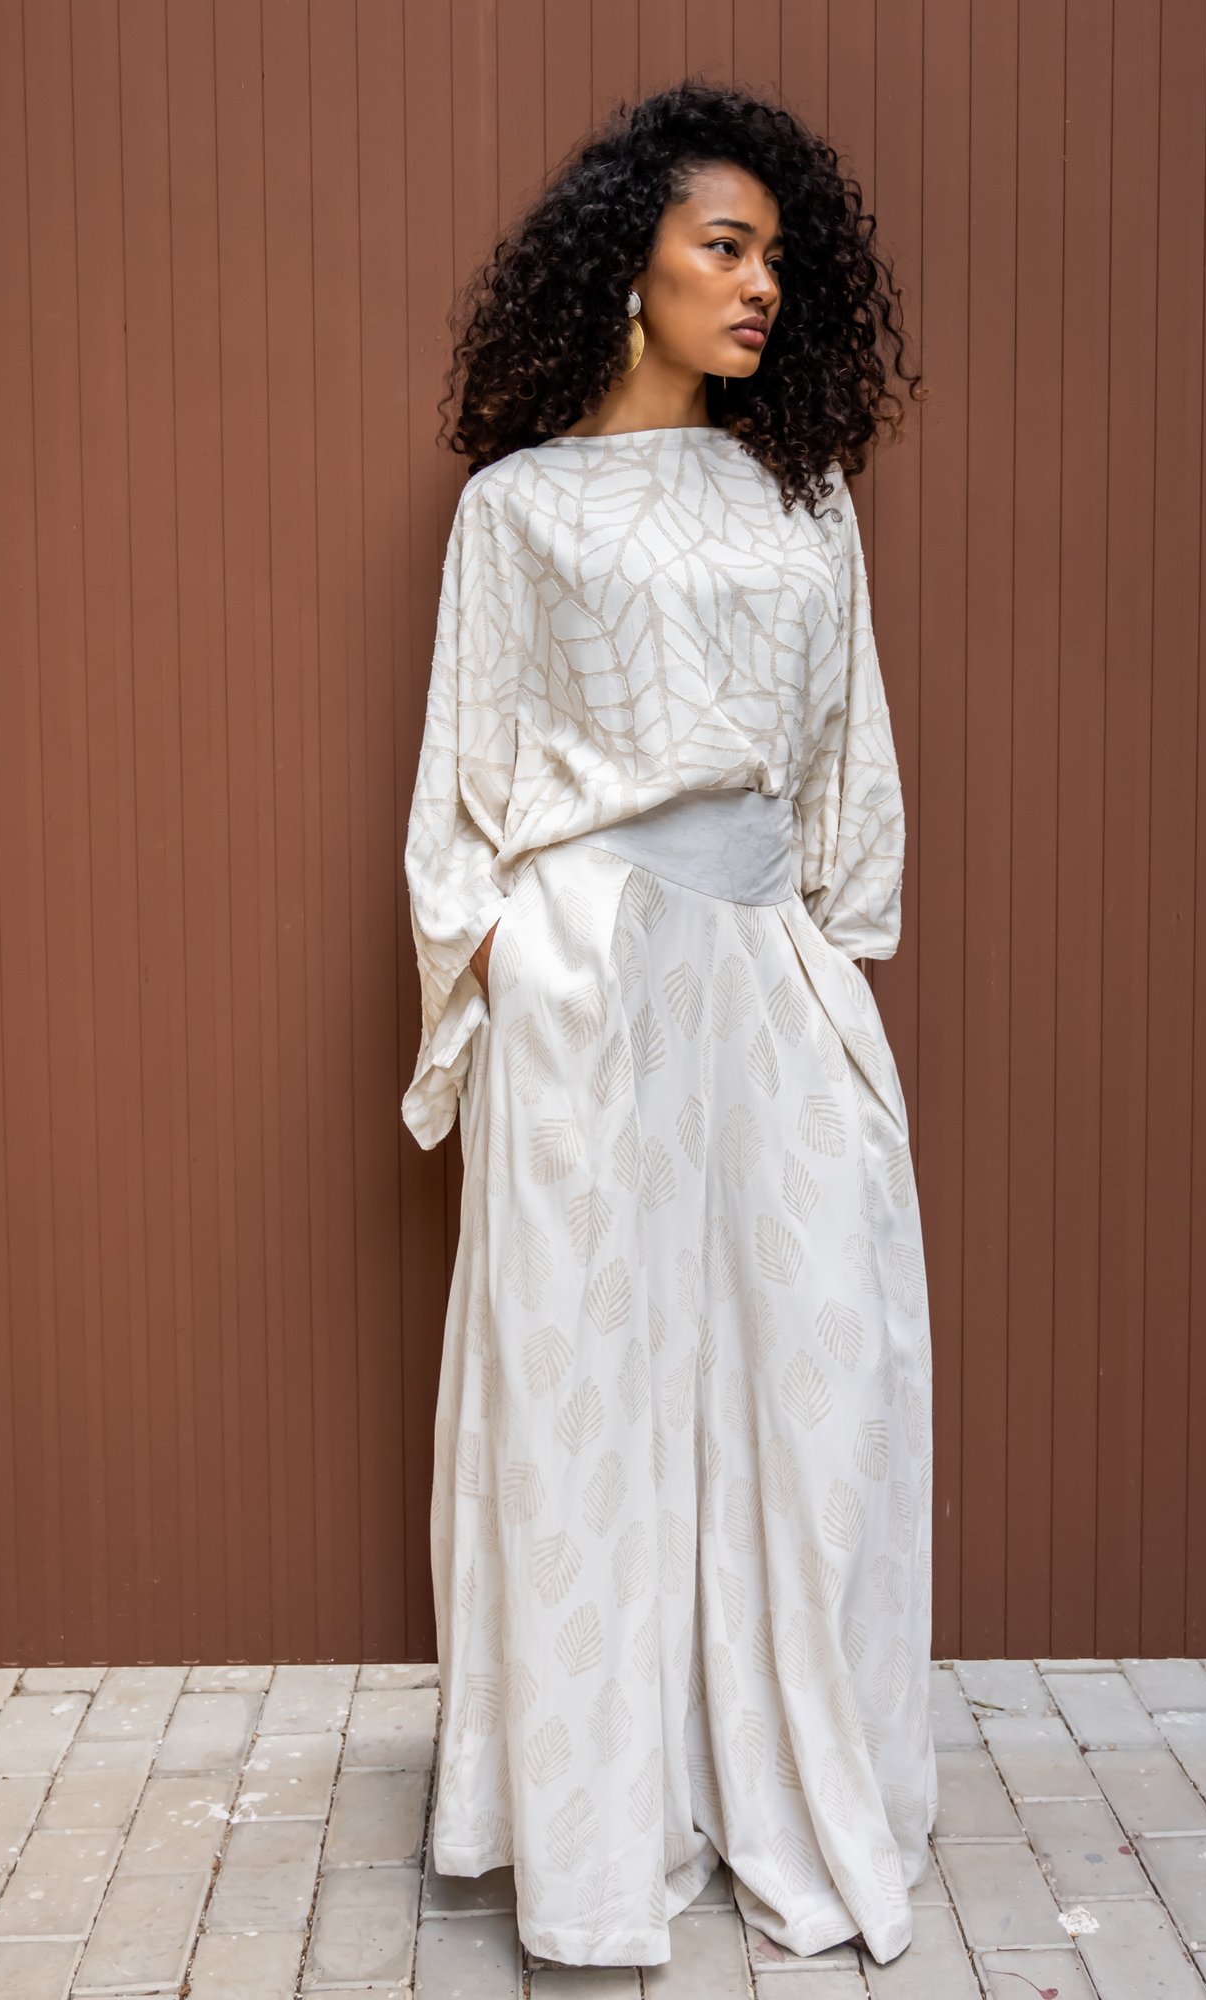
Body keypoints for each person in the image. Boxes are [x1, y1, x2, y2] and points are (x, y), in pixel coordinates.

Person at [401, 77, 935, 1969]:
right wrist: (501, 967)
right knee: (591, 1391)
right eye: (726, 246)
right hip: (587, 981)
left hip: (763, 972)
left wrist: (833, 965)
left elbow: (851, 754)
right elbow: (462, 782)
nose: (763, 283)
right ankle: (596, 1821)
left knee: (811, 1382)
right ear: (629, 266)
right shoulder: (518, 509)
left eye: (780, 256)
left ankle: (771, 1775)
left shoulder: (807, 496)